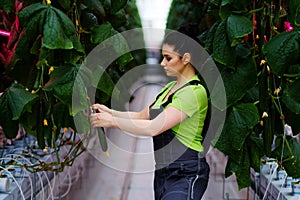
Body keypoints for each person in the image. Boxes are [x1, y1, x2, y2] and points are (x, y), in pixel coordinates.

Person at [90, 25, 210, 200]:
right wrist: (110, 112)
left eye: (168, 58)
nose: (162, 63)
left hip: (186, 173)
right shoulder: (170, 88)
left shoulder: (193, 92)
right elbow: (141, 116)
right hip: (163, 171)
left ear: (186, 58)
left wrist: (111, 122)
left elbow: (154, 127)